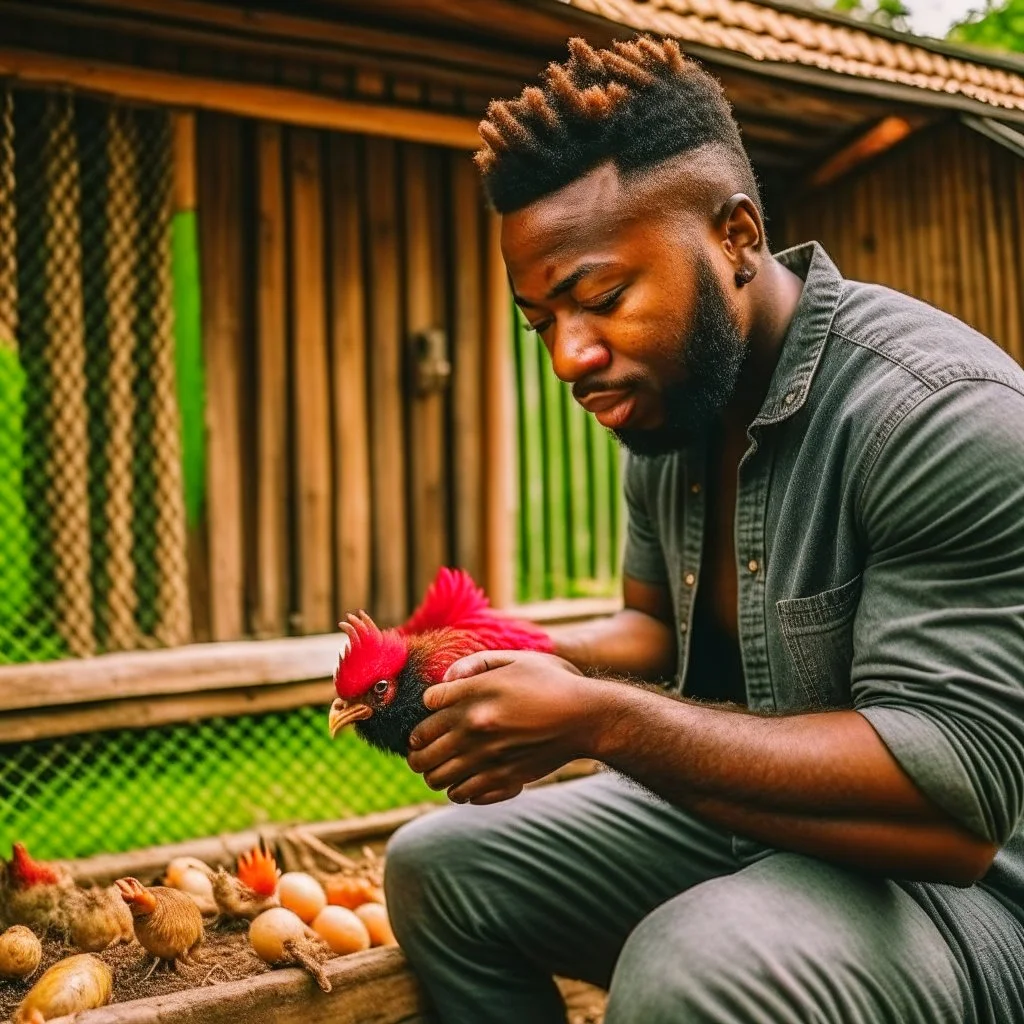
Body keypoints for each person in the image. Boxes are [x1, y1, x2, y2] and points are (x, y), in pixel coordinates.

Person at [383, 34, 1024, 1024]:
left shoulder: (939, 415)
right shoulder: (676, 402)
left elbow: (954, 811)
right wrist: (499, 659)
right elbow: (658, 636)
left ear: (734, 235)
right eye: (539, 321)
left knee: (695, 965)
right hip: (767, 824)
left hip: (968, 899)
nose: (569, 354)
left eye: (598, 298)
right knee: (443, 867)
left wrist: (597, 719)